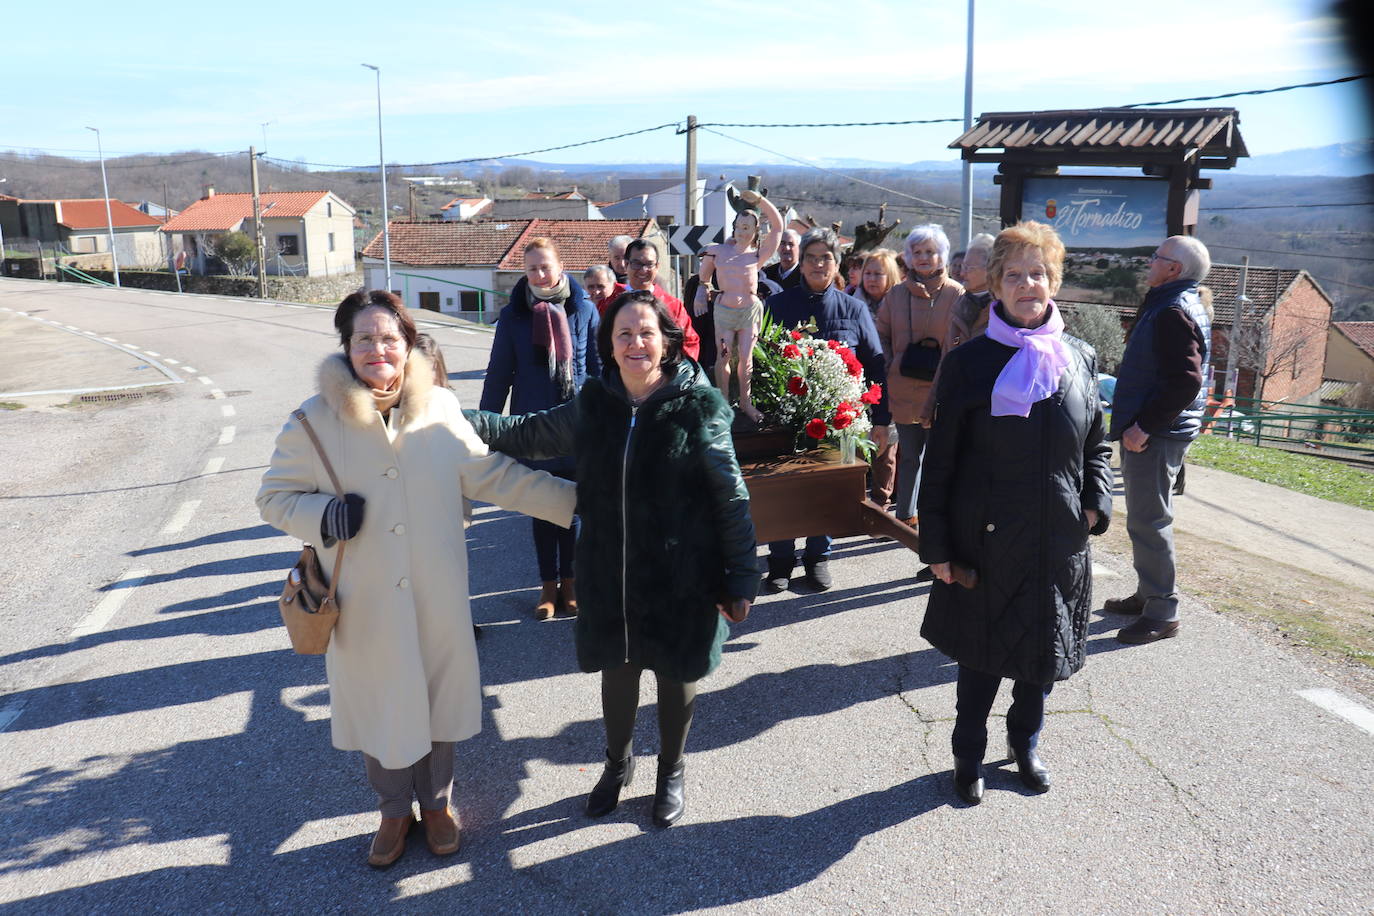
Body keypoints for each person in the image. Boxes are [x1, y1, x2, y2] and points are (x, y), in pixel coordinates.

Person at [257, 290, 575, 867]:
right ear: (346, 347)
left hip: (435, 591)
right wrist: (322, 516)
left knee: (437, 700)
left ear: (407, 346)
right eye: (363, 339)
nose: (377, 349)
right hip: (363, 602)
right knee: (382, 703)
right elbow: (273, 498)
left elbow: (493, 475)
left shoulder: (440, 410)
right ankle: (392, 810)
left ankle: (437, 805)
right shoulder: (312, 421)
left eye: (388, 339)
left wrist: (575, 504)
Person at [465, 289, 758, 828]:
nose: (635, 343)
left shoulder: (700, 407)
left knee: (677, 675)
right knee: (617, 670)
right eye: (624, 334)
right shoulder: (593, 404)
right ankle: (617, 766)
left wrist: (742, 575)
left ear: (666, 341)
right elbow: (526, 434)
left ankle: (671, 771)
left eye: (646, 332)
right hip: (608, 569)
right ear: (608, 344)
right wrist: (454, 418)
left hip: (682, 574)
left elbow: (730, 493)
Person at [917, 222, 1113, 805]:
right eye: (1014, 274)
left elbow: (1095, 446)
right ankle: (968, 754)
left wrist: (1096, 504)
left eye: (1039, 273)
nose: (1028, 284)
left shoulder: (1079, 357)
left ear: (1053, 280)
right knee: (981, 659)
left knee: (1041, 657)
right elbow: (941, 464)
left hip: (1058, 538)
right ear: (995, 284)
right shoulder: (969, 363)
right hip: (987, 538)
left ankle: (1025, 742)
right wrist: (939, 549)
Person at [763, 227, 890, 592]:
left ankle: (818, 556)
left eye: (826, 257)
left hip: (837, 420)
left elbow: (875, 364)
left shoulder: (853, 308)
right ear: (801, 262)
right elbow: (763, 360)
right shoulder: (777, 306)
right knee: (784, 490)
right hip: (786, 417)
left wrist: (880, 420)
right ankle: (781, 559)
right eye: (812, 257)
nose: (819, 264)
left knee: (825, 491)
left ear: (837, 264)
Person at [481, 238, 600, 621]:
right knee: (543, 507)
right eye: (532, 268)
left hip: (579, 422)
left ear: (561, 265)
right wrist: (486, 428)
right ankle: (548, 587)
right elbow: (499, 374)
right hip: (533, 426)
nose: (539, 274)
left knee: (577, 507)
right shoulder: (514, 316)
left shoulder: (584, 310)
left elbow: (599, 369)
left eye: (545, 266)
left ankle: (573, 582)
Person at [1104, 236, 1213, 644]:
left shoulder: (1171, 309)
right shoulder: (1169, 301)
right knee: (1143, 518)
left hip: (1158, 432)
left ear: (1174, 270)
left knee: (1151, 521)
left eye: (1157, 257)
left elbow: (1186, 379)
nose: (1149, 262)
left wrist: (1145, 426)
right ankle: (1149, 595)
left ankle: (1163, 611)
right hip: (1157, 428)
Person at [875, 225, 963, 529]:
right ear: (909, 257)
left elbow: (964, 343)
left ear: (942, 256)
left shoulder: (956, 293)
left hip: (941, 390)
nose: (924, 257)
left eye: (930, 251)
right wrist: (891, 364)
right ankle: (904, 518)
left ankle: (935, 519)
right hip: (902, 388)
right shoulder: (895, 294)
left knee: (938, 459)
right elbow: (880, 335)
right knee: (910, 456)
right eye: (918, 252)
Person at [694, 189, 783, 424]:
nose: (742, 232)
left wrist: (760, 201)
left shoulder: (757, 256)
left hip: (750, 310)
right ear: (733, 227)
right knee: (723, 356)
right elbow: (703, 278)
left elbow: (778, 228)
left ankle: (746, 401)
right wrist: (700, 294)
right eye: (739, 226)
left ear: (755, 232)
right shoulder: (717, 252)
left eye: (748, 228)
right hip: (725, 310)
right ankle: (723, 402)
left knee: (746, 357)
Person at [917, 232, 996, 426]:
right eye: (962, 266)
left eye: (968, 267)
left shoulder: (1003, 310)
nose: (961, 273)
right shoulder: (962, 303)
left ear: (990, 270)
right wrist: (930, 406)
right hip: (956, 405)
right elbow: (946, 359)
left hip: (988, 411)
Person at [857, 249, 903, 507]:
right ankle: (857, 502)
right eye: (868, 273)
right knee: (857, 444)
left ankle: (881, 503)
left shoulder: (898, 304)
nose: (872, 278)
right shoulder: (853, 302)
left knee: (887, 448)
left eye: (879, 274)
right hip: (858, 382)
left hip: (890, 383)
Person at [618, 237, 701, 360]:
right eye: (636, 264)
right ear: (626, 264)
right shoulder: (611, 300)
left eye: (649, 264)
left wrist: (675, 371)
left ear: (657, 266)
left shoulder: (672, 305)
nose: (643, 270)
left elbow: (690, 342)